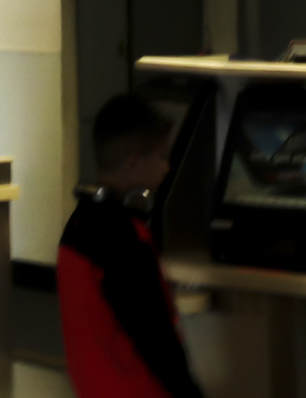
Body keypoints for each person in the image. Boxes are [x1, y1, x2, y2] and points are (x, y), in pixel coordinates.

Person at [58, 93, 202, 398]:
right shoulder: (125, 241)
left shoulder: (76, 227)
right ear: (134, 163)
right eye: (161, 156)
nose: (166, 168)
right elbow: (156, 341)